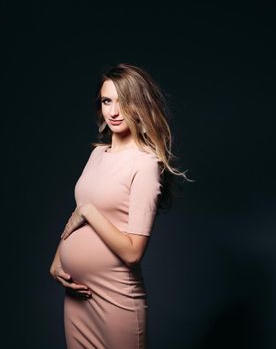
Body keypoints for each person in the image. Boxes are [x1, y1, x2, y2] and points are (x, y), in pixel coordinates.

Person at [49, 63, 192, 348]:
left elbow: (132, 251)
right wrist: (58, 259)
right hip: (79, 298)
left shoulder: (145, 163)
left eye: (123, 102)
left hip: (116, 300)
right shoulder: (98, 155)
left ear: (140, 105)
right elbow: (80, 210)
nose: (113, 112)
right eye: (106, 101)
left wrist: (89, 211)